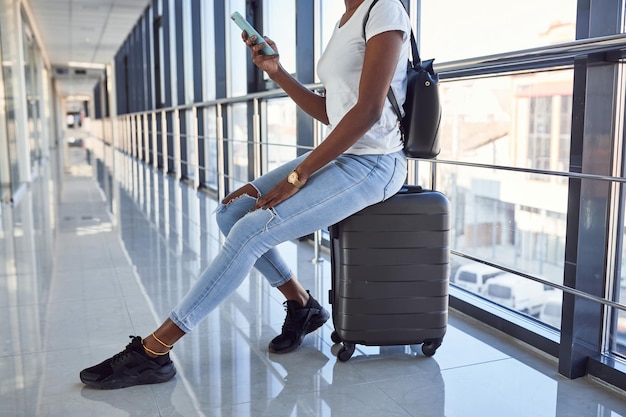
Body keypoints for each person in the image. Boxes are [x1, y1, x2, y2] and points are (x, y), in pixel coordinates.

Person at [79, 0, 411, 389]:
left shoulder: (384, 8)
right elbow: (332, 112)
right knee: (231, 214)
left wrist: (300, 174)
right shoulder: (345, 20)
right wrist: (277, 71)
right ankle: (303, 306)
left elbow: (369, 111)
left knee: (250, 232)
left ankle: (154, 350)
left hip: (374, 164)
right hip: (345, 153)